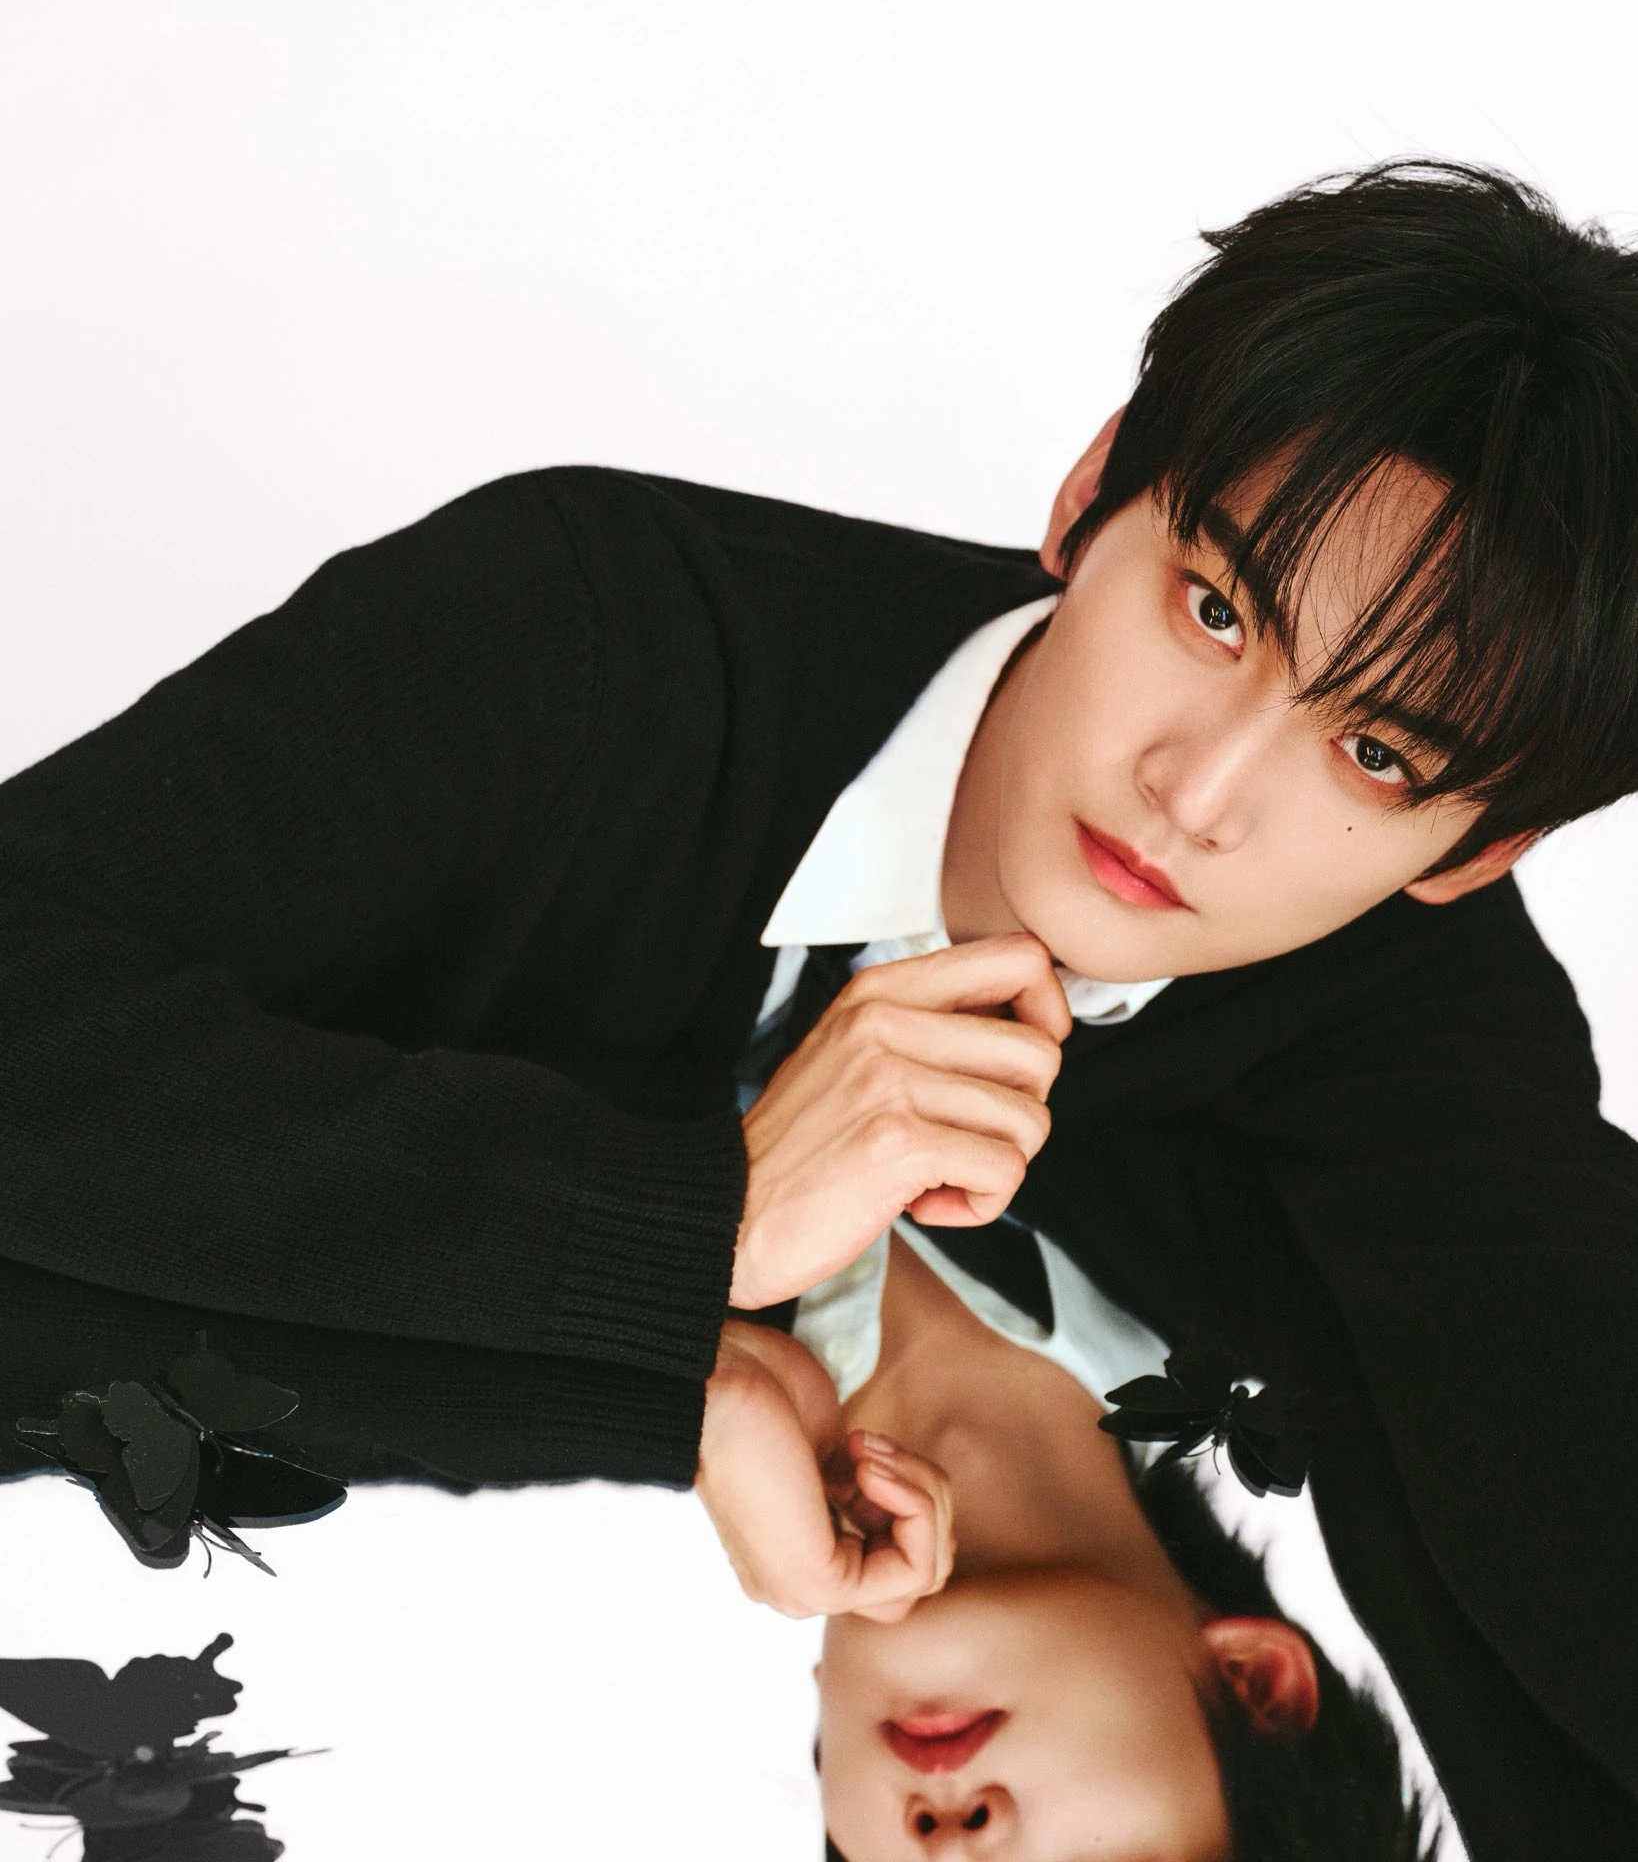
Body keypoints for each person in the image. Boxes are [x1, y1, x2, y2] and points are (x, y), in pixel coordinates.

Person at [0, 157, 1634, 1856]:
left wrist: (666, 1370)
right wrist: (692, 1219)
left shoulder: (1395, 1036)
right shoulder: (591, 636)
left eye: (1375, 754)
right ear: (1091, 494)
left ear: (1475, 851)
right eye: (1212, 608)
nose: (1197, 792)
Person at [700, 1214, 1437, 1861]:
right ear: (1254, 1686)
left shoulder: (658, 1368)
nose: (952, 1849)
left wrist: (676, 1350)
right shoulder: (1271, 1222)